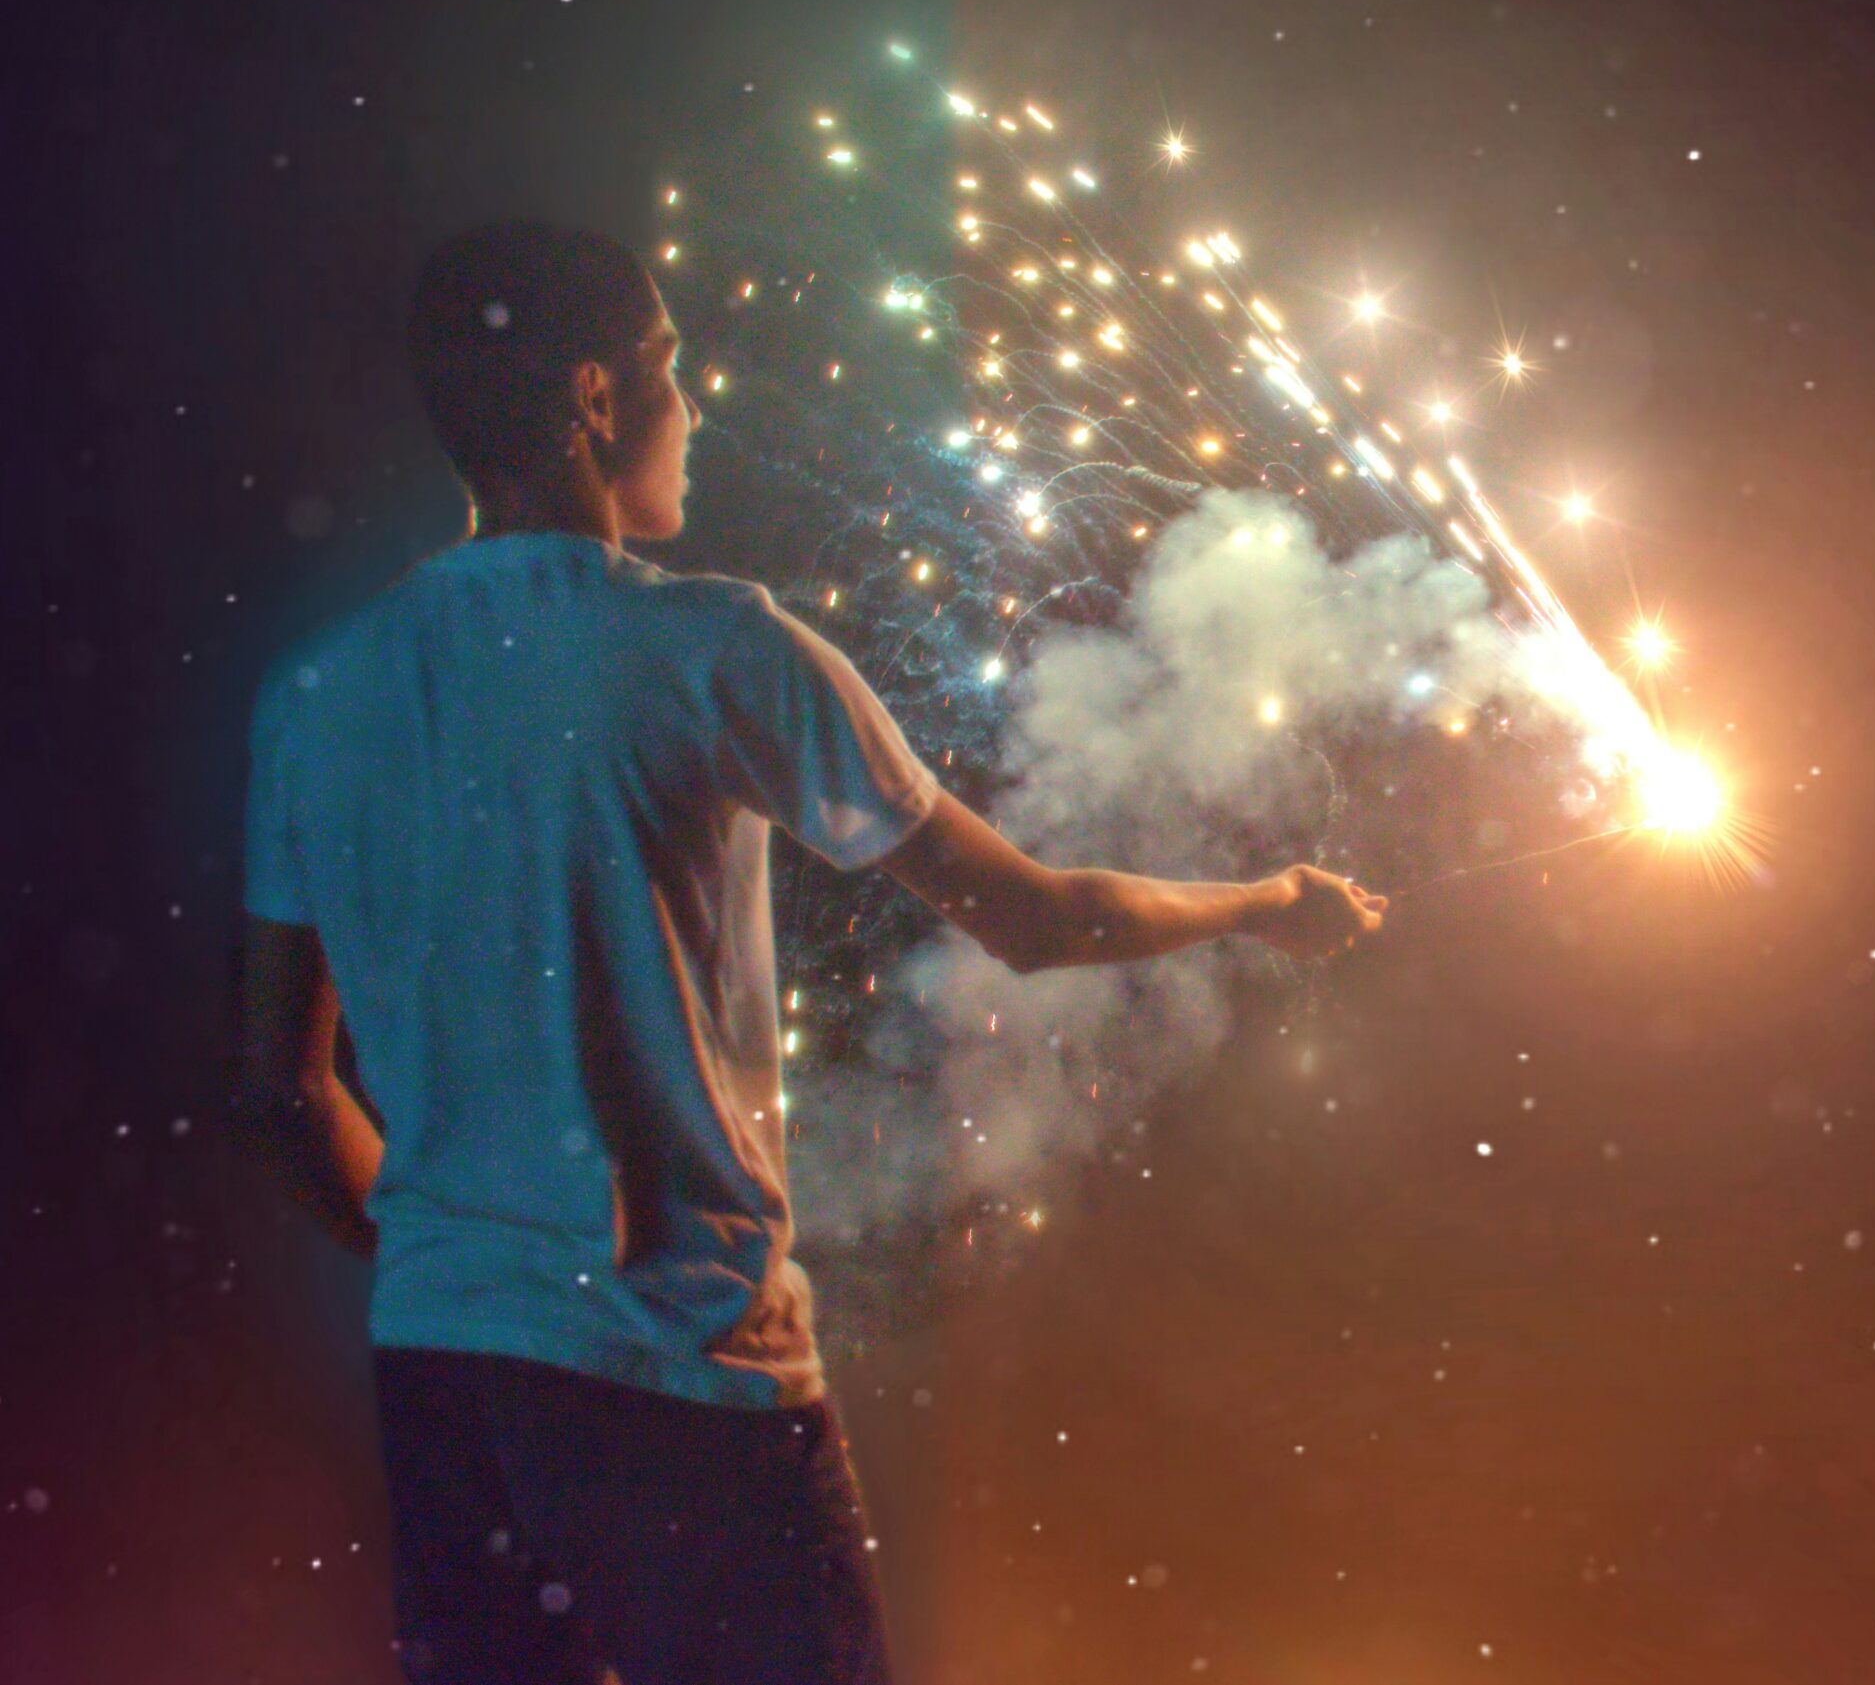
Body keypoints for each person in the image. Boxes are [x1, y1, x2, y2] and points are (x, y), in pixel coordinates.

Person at [236, 219, 1386, 1685]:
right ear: (596, 399)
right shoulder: (718, 647)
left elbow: (279, 1083)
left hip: (447, 1390)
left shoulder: (315, 693)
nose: (694, 403)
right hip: (689, 1388)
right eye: (667, 365)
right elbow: (1037, 920)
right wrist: (1268, 903)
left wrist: (456, 1269)